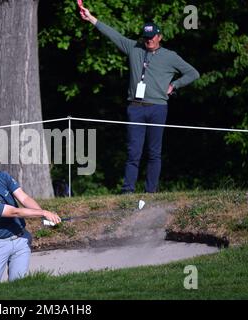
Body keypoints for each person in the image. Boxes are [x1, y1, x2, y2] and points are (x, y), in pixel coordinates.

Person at [80, 7, 200, 193]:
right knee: (133, 152)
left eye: (152, 37)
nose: (149, 40)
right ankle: (127, 191)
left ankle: (150, 191)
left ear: (159, 37)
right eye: (146, 37)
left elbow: (193, 73)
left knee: (154, 153)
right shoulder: (134, 49)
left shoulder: (170, 56)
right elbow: (114, 34)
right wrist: (91, 19)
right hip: (135, 108)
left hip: (158, 108)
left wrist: (174, 85)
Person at [0, 166, 61, 283]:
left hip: (21, 239)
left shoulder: (2, 177)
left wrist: (42, 216)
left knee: (18, 286)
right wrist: (43, 212)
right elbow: (14, 212)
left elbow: (24, 198)